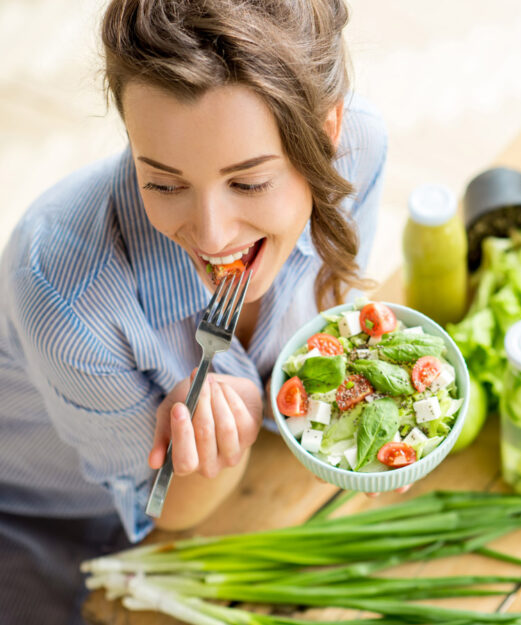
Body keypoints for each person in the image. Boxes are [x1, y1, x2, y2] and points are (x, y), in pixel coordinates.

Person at [0, 0, 387, 622]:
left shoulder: (360, 149)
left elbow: (325, 325)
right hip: (46, 528)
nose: (210, 235)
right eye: (163, 181)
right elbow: (171, 508)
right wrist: (215, 439)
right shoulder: (59, 288)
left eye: (249, 183)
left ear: (329, 132)